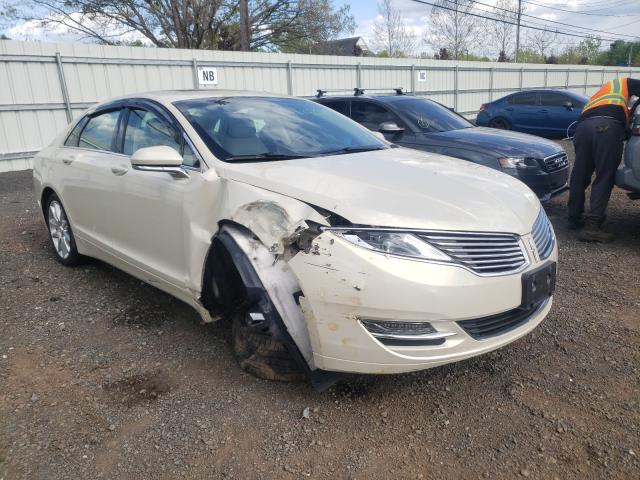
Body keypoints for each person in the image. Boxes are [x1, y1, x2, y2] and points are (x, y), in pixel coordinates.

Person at [568, 77, 640, 242]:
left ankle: (573, 217)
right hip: (606, 128)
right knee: (604, 176)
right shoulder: (624, 82)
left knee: (580, 174)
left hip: (583, 128)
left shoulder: (604, 93)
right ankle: (592, 227)